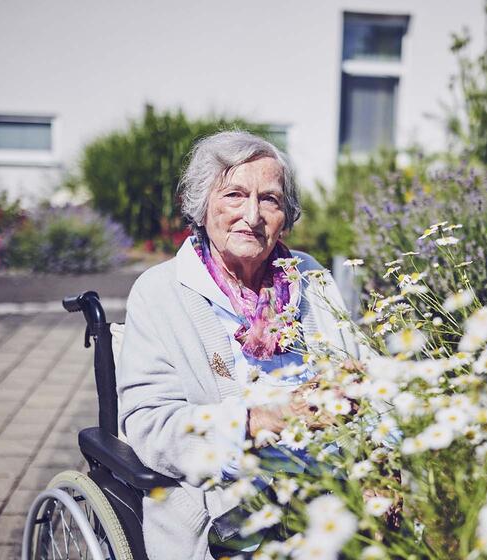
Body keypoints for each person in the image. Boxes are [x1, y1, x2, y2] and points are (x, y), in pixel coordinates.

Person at [116, 131, 361, 560]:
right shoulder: (159, 292)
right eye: (234, 194)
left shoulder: (312, 276)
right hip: (223, 510)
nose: (252, 214)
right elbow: (150, 425)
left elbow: (360, 370)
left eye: (270, 199)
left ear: (286, 215)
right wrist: (258, 421)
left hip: (328, 491)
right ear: (202, 205)